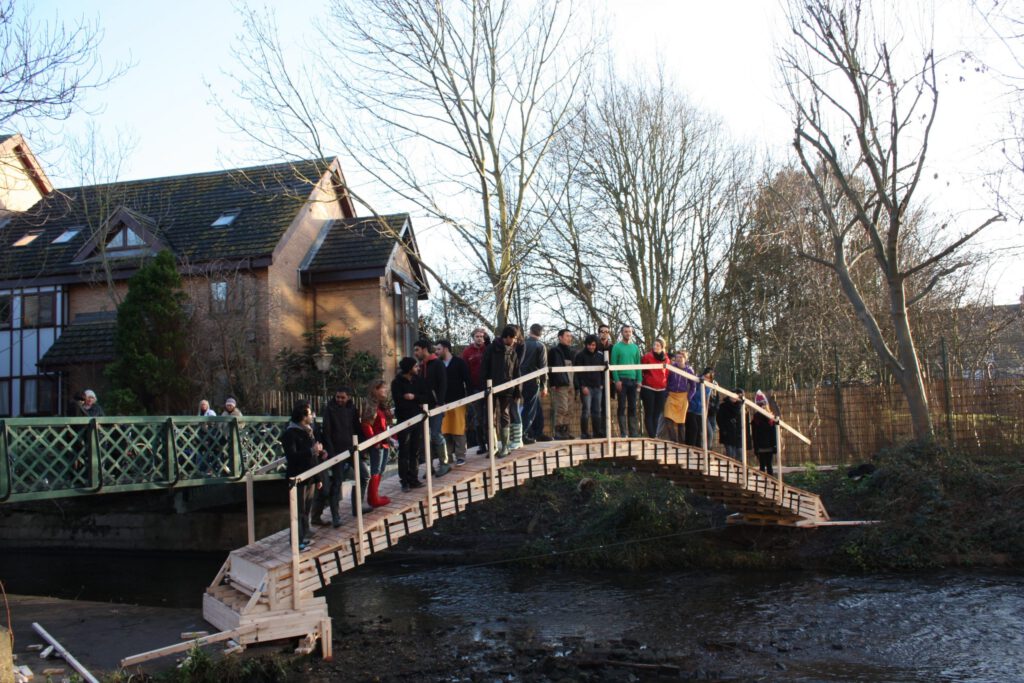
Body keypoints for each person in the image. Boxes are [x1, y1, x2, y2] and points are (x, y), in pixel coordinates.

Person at [318, 386, 370, 524]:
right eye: (338, 397)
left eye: (342, 397)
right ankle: (335, 516)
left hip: (352, 449)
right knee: (337, 482)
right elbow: (327, 432)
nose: (340, 400)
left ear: (348, 397)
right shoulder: (330, 409)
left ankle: (357, 507)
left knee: (364, 475)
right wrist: (332, 453)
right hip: (337, 451)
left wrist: (362, 446)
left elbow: (357, 428)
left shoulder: (352, 409)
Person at [282, 400, 325, 551]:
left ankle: (302, 537)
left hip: (311, 477)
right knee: (298, 511)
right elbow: (292, 456)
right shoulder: (290, 433)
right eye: (309, 413)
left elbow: (313, 458)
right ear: (302, 416)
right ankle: (295, 540)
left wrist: (318, 477)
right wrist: (311, 451)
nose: (312, 415)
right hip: (297, 477)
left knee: (306, 510)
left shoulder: (309, 431)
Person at [482, 325, 522, 457]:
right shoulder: (491, 349)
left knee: (505, 415)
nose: (515, 341)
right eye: (514, 338)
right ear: (508, 337)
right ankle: (492, 447)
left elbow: (517, 372)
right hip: (491, 389)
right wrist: (485, 388)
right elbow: (484, 369)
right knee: (489, 417)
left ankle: (504, 447)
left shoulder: (513, 352)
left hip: (507, 389)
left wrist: (518, 391)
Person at [414, 339, 450, 476]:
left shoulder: (437, 364)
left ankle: (444, 463)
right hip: (423, 407)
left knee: (435, 434)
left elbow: (443, 384)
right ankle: (429, 467)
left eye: (417, 349)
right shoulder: (420, 366)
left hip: (436, 405)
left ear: (424, 349)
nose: (415, 353)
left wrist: (439, 402)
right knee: (425, 438)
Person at [391, 357, 425, 491]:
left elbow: (426, 396)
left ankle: (414, 479)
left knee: (415, 450)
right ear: (409, 368)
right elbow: (399, 401)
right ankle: (404, 481)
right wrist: (415, 401)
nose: (418, 368)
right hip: (404, 420)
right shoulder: (397, 383)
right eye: (415, 366)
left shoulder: (418, 380)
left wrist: (414, 397)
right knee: (404, 451)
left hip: (417, 419)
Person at [358, 381, 393, 508]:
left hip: (384, 442)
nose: (385, 391)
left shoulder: (382, 404)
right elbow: (366, 424)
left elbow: (385, 422)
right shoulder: (369, 403)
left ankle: (375, 496)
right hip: (377, 443)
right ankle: (373, 499)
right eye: (383, 388)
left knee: (381, 470)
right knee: (375, 470)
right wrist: (375, 441)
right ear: (375, 390)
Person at [437, 340, 471, 466]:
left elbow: (467, 379)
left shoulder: (459, 362)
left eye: (439, 349)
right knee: (445, 430)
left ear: (445, 349)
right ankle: (448, 457)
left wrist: (469, 397)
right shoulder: (438, 364)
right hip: (443, 402)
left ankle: (460, 456)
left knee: (458, 429)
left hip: (458, 401)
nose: (437, 351)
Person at [520, 323, 549, 443]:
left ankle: (538, 432)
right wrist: (544, 385)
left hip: (520, 379)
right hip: (532, 380)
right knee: (530, 408)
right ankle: (523, 434)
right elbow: (543, 367)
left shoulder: (522, 345)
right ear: (541, 333)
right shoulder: (540, 346)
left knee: (536, 407)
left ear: (530, 331)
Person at [610, 325, 641, 437]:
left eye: (630, 331)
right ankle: (623, 432)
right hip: (622, 380)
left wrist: (639, 380)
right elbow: (613, 364)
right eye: (626, 331)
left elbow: (638, 364)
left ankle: (634, 433)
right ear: (622, 333)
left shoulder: (635, 348)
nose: (628, 333)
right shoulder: (617, 347)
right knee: (622, 406)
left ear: (632, 333)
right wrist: (617, 380)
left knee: (633, 406)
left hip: (633, 380)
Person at [462, 327, 489, 453]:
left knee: (489, 416)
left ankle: (491, 443)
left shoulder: (488, 349)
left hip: (489, 387)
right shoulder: (467, 352)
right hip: (475, 388)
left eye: (482, 336)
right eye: (477, 336)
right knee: (479, 417)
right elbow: (465, 371)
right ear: (473, 337)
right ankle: (481, 445)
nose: (479, 338)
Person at [573, 334, 605, 439]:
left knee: (597, 411)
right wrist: (582, 386)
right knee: (586, 410)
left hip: (597, 387)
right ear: (586, 345)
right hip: (586, 387)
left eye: (593, 345)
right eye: (589, 345)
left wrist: (601, 384)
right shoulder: (580, 356)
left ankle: (597, 432)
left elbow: (604, 371)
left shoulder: (601, 356)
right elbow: (577, 373)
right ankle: (584, 433)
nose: (591, 347)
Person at [547, 329, 575, 440]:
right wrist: (553, 383)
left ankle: (566, 432)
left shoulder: (572, 351)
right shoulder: (554, 351)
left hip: (571, 382)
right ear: (560, 337)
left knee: (570, 409)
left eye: (570, 336)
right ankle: (558, 432)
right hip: (560, 383)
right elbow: (550, 368)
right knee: (562, 408)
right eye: (567, 336)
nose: (569, 338)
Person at [640, 338, 669, 439]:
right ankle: (652, 436)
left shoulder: (666, 359)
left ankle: (655, 435)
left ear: (662, 347)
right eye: (654, 345)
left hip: (661, 389)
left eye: (658, 345)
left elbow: (668, 373)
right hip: (648, 388)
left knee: (657, 413)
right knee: (649, 412)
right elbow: (641, 370)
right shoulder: (647, 356)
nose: (655, 347)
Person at [664, 350, 695, 444]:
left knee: (681, 422)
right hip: (672, 395)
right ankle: (674, 441)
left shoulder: (689, 370)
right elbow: (666, 380)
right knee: (668, 418)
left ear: (685, 359)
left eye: (681, 357)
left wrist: (689, 397)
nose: (679, 359)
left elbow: (693, 386)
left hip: (683, 397)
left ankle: (682, 443)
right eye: (677, 357)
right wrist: (667, 392)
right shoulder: (672, 368)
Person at [750, 390, 778, 475]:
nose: (762, 406)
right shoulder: (756, 418)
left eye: (763, 404)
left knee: (769, 465)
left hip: (769, 445)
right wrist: (756, 447)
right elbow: (754, 434)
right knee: (762, 465)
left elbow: (773, 433)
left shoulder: (770, 418)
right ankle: (762, 482)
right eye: (760, 405)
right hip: (760, 445)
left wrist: (774, 445)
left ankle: (772, 482)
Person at [685, 368, 713, 447]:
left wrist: (705, 413)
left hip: (700, 411)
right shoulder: (696, 381)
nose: (706, 379)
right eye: (705, 376)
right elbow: (690, 391)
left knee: (700, 431)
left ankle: (698, 449)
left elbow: (707, 400)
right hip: (691, 409)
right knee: (694, 428)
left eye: (708, 378)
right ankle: (690, 447)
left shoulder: (708, 387)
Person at [716, 389, 744, 459]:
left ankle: (738, 469)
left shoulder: (740, 407)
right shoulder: (723, 406)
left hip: (737, 434)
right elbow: (719, 419)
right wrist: (723, 430)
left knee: (740, 455)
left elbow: (740, 419)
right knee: (731, 454)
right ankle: (731, 469)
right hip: (727, 433)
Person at [704, 368, 720, 444]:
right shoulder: (702, 383)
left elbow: (717, 398)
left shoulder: (715, 384)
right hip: (705, 413)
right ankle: (707, 450)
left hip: (713, 414)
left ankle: (709, 449)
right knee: (709, 433)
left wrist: (716, 408)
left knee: (712, 434)